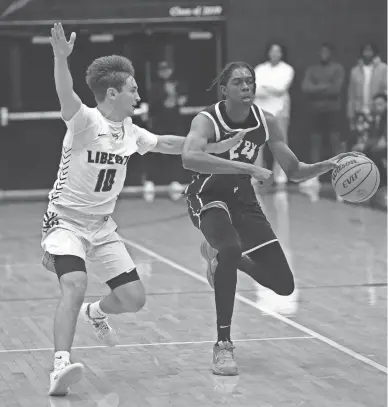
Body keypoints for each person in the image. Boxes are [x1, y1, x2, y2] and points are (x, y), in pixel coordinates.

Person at [43, 23, 243, 397]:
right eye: (133, 88)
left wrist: (214, 147)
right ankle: (59, 366)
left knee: (134, 299)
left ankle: (98, 312)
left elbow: (168, 143)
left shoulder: (131, 131)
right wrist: (59, 58)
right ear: (113, 93)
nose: (138, 94)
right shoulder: (86, 121)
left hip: (101, 227)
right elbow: (65, 93)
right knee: (74, 283)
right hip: (65, 222)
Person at [181, 61, 361, 376]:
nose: (246, 87)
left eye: (250, 81)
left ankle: (221, 257)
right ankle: (223, 345)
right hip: (207, 197)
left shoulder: (266, 122)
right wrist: (248, 168)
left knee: (283, 285)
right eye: (238, 82)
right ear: (225, 89)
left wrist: (329, 164)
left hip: (243, 200)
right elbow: (189, 157)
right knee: (231, 246)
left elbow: (294, 170)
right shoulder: (208, 119)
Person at [301, 43, 345, 187]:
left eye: (326, 52)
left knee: (335, 141)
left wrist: (317, 89)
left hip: (333, 109)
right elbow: (306, 87)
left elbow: (336, 89)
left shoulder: (338, 68)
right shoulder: (312, 69)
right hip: (315, 110)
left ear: (331, 53)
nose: (323, 54)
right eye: (321, 52)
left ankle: (341, 174)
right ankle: (314, 177)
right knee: (315, 142)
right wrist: (325, 86)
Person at [254, 42, 294, 184]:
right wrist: (270, 89)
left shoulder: (287, 69)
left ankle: (281, 174)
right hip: (261, 111)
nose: (275, 53)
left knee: (280, 144)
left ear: (281, 54)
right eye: (272, 51)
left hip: (280, 111)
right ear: (268, 52)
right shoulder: (260, 69)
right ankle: (257, 174)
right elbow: (254, 89)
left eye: (278, 51)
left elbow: (281, 88)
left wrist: (265, 87)